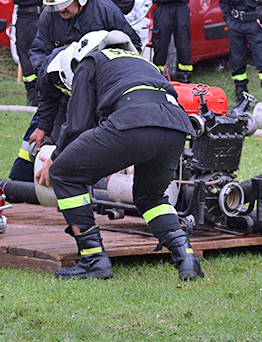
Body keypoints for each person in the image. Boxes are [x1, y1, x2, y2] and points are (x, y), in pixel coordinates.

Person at [37, 30, 202, 281]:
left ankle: (93, 259)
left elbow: (77, 125)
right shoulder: (141, 62)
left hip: (133, 122)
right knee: (150, 197)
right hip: (176, 127)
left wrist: (55, 158)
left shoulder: (89, 62)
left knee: (64, 174)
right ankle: (187, 257)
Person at [6, 0, 142, 182]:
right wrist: (49, 78)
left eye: (64, 5)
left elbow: (132, 45)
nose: (61, 10)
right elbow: (39, 52)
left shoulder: (105, 11)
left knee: (84, 146)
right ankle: (18, 183)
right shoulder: (50, 15)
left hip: (99, 98)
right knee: (35, 138)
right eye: (55, 6)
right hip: (59, 93)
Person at [9, 0, 54, 105]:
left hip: (44, 16)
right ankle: (32, 95)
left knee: (46, 52)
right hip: (24, 19)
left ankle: (47, 93)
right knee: (25, 56)